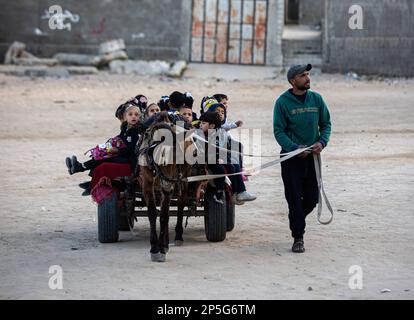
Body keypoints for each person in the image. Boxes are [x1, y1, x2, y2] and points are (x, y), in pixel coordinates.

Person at [273, 64, 331, 253]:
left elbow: (326, 124)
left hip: (312, 158)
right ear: (293, 80)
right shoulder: (282, 102)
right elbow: (279, 131)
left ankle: (296, 219)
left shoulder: (317, 99)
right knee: (294, 200)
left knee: (312, 198)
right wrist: (294, 148)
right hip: (291, 158)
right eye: (303, 75)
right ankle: (298, 237)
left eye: (307, 74)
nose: (307, 78)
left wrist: (322, 142)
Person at [66, 103, 142, 181]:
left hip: (130, 159)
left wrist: (118, 150)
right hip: (122, 154)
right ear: (125, 117)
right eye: (130, 114)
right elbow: (120, 138)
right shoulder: (125, 127)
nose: (133, 116)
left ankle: (79, 168)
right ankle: (78, 167)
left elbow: (133, 148)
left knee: (106, 158)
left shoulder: (137, 130)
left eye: (136, 115)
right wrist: (111, 142)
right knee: (101, 153)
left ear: (139, 117)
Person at [198, 111, 256, 205]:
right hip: (207, 160)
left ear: (212, 126)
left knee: (233, 167)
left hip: (218, 158)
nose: (200, 125)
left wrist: (222, 158)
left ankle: (237, 193)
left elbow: (224, 148)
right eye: (200, 123)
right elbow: (201, 152)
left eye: (203, 123)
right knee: (220, 169)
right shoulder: (200, 135)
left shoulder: (219, 134)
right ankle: (219, 192)